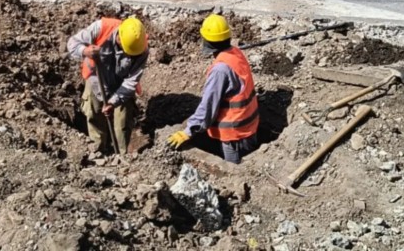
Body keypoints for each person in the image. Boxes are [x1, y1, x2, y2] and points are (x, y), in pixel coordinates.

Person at [167, 14, 260, 164]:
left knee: (232, 171)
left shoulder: (220, 70)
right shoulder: (236, 53)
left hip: (234, 135)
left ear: (206, 41)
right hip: (249, 127)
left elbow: (208, 106)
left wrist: (188, 131)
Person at [67, 16, 149, 155]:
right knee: (94, 113)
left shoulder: (141, 48)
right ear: (119, 38)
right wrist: (84, 51)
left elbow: (131, 82)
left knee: (123, 121)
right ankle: (98, 150)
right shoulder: (101, 28)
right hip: (95, 78)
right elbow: (72, 43)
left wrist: (112, 103)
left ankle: (123, 154)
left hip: (121, 85)